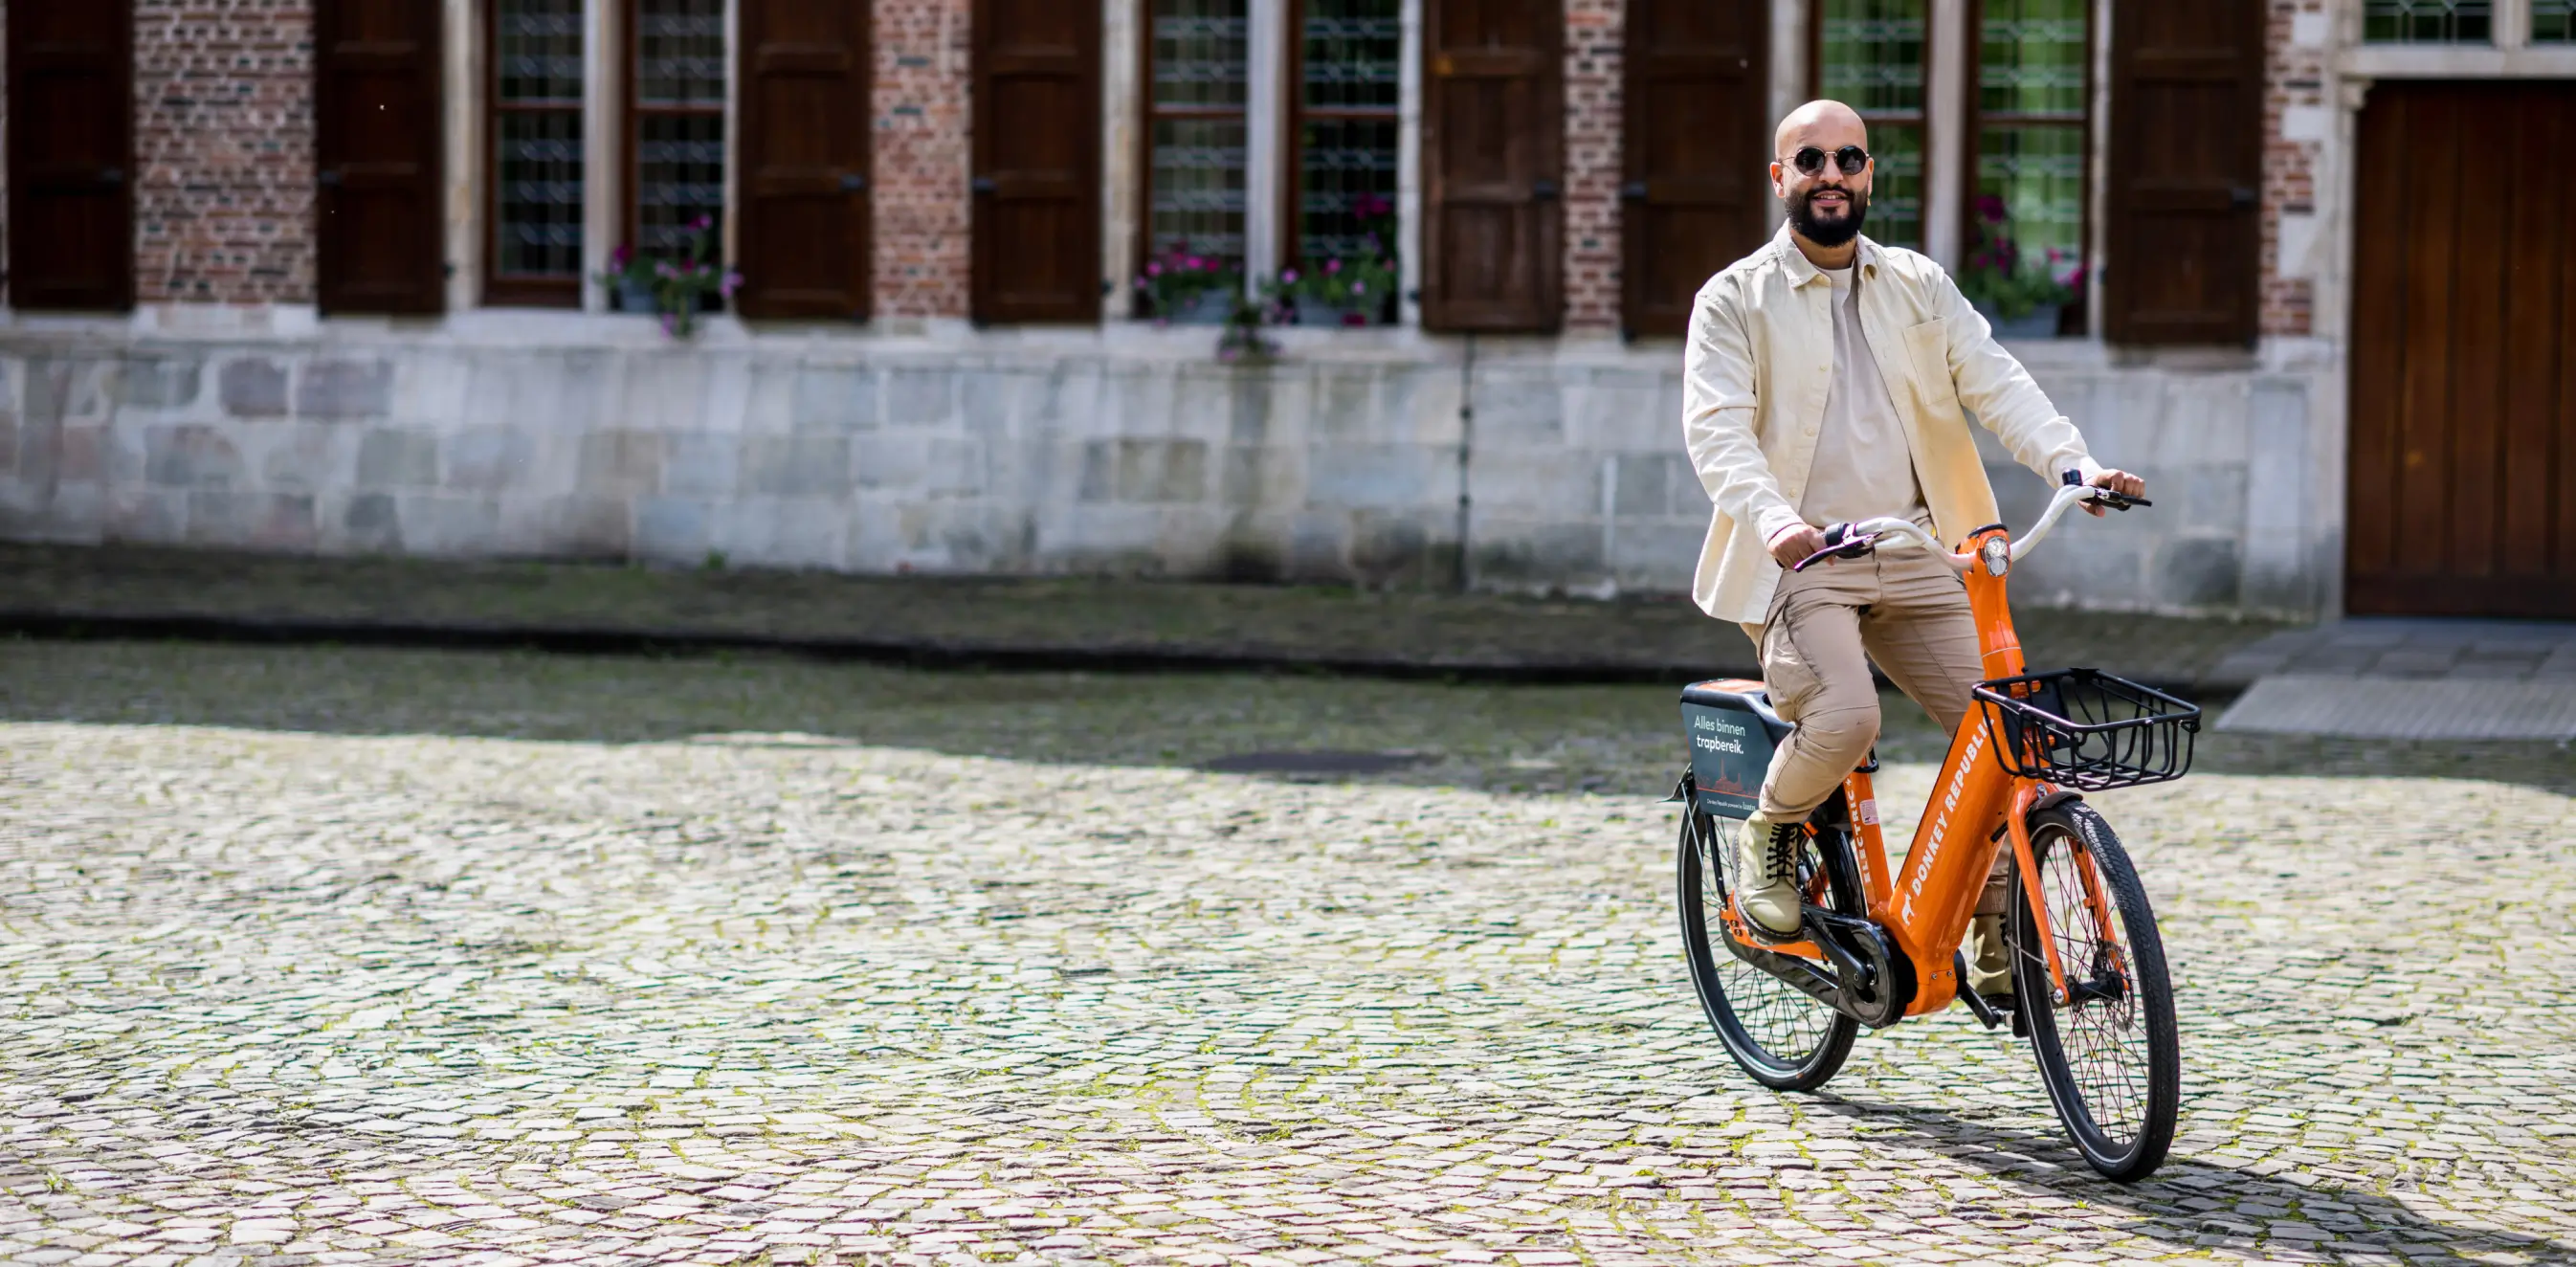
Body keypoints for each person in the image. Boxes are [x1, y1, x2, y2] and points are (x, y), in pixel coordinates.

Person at [1679, 100, 2144, 1001]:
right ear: (1780, 178)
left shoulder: (1917, 285)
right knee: (1847, 718)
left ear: (1867, 174)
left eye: (1847, 159)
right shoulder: (1734, 298)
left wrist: (2074, 465)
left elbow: (1995, 380)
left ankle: (2003, 934)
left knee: (2010, 740)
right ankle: (1769, 833)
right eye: (1808, 160)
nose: (1829, 175)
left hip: (1920, 550)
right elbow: (1717, 433)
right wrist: (1776, 522)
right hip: (1801, 564)